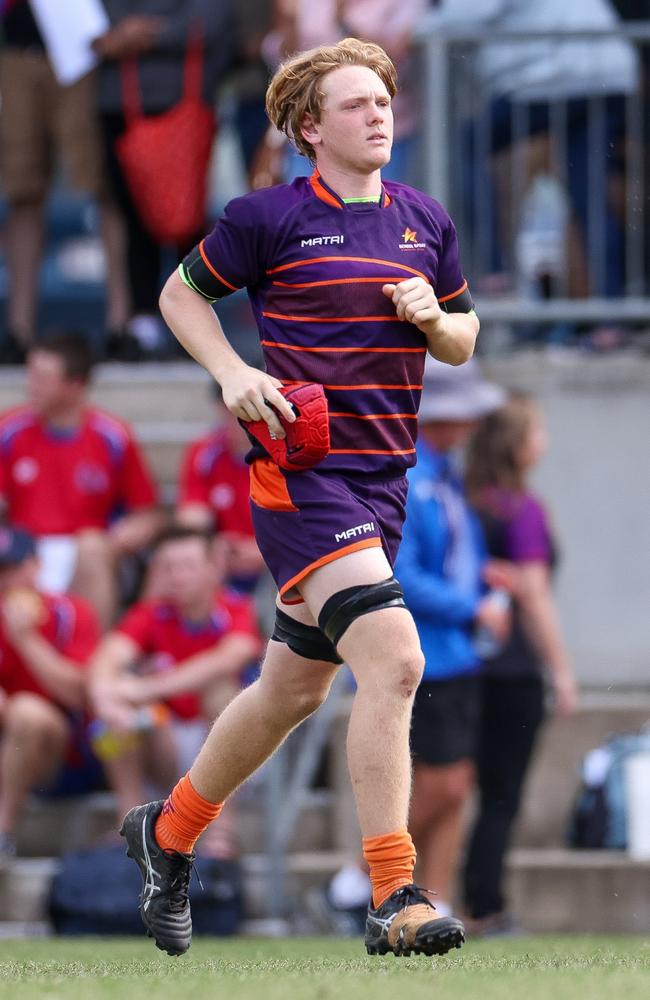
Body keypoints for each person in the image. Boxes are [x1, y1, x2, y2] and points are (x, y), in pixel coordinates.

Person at [120, 36, 479, 959]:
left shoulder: (424, 219)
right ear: (310, 128)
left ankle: (167, 835)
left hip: (383, 482)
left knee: (289, 692)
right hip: (303, 479)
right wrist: (235, 371)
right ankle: (393, 891)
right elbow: (179, 295)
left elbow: (464, 339)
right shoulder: (267, 215)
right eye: (357, 104)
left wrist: (439, 319)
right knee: (395, 659)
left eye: (385, 100)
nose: (379, 114)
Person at [395, 357, 508, 919]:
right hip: (428, 654)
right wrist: (473, 606)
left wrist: (483, 583)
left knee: (458, 784)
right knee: (442, 783)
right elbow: (405, 576)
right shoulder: (413, 481)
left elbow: (457, 557)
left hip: (456, 654)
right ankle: (360, 874)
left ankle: (432, 902)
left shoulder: (444, 477)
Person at [461, 393, 579, 935]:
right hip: (511, 672)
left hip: (462, 669)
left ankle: (434, 896)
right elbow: (533, 594)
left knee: (456, 788)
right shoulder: (521, 508)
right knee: (500, 795)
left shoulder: (464, 500)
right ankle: (485, 906)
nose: (545, 441)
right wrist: (561, 669)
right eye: (538, 431)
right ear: (518, 445)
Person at [89, 525, 261, 860]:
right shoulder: (153, 613)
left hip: (234, 753)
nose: (176, 576)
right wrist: (105, 698)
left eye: (187, 566)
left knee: (222, 693)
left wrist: (141, 689)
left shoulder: (238, 609)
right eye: (167, 567)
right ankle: (132, 823)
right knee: (113, 719)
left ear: (215, 567)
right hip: (168, 746)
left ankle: (223, 828)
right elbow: (105, 660)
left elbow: (226, 660)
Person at [92, 1, 234, 359]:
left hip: (183, 99)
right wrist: (117, 35)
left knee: (186, 217)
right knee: (133, 215)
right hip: (118, 100)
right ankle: (142, 324)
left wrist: (136, 35)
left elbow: (211, 18)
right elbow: (90, 21)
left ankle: (194, 325)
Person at [0, 332, 161, 628]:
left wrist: (114, 542)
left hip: (85, 556)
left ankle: (93, 661)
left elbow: (147, 515)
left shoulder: (111, 436)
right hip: (23, 552)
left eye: (42, 379)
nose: (29, 386)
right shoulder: (9, 430)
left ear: (75, 386)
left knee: (92, 547)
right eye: (30, 374)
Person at [0, 0, 129, 363]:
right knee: (22, 191)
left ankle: (119, 324)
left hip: (86, 54)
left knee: (103, 188)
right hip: (17, 52)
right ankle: (18, 329)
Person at [0, 526, 100, 859]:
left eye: (14, 569)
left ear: (37, 565)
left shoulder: (71, 612)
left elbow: (79, 693)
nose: (7, 581)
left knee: (27, 711)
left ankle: (3, 832)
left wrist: (26, 640)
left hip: (60, 751)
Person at [176, 385, 266, 594]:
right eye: (233, 407)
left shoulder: (287, 454)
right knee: (177, 559)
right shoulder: (205, 452)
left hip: (276, 558)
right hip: (224, 559)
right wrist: (214, 544)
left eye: (252, 407)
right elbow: (191, 518)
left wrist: (267, 552)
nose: (242, 417)